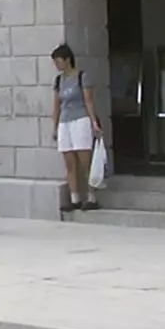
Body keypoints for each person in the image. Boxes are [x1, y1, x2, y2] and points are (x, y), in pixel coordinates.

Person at [50, 43, 103, 211]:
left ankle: (91, 196)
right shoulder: (59, 80)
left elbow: (88, 100)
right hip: (65, 121)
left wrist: (94, 122)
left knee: (84, 160)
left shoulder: (82, 77)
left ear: (67, 60)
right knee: (69, 162)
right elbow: (56, 104)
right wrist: (55, 126)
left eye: (59, 61)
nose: (57, 65)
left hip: (80, 119)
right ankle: (74, 198)